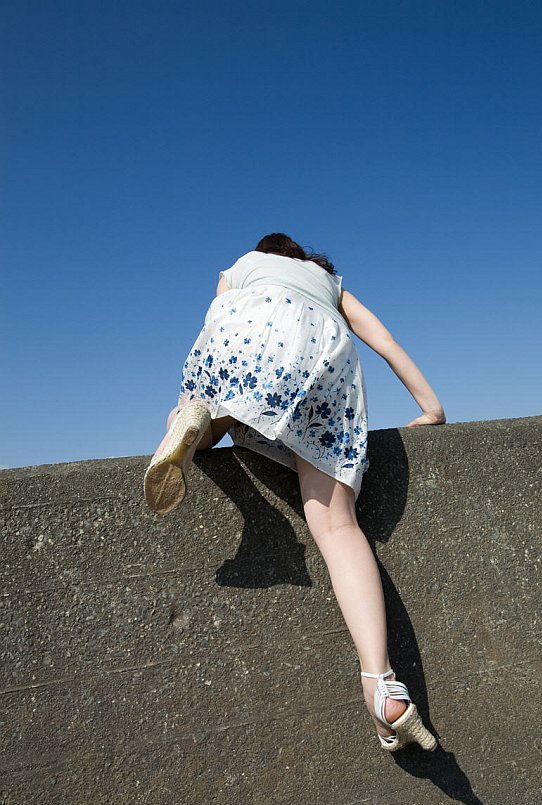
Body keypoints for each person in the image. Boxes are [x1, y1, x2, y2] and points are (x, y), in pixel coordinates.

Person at [143, 233, 446, 752]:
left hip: (242, 331)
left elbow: (220, 322)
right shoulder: (329, 283)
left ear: (263, 254)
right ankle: (381, 683)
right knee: (336, 526)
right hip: (319, 352)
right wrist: (431, 407)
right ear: (303, 257)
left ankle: (190, 422)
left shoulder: (239, 268)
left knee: (214, 402)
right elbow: (386, 342)